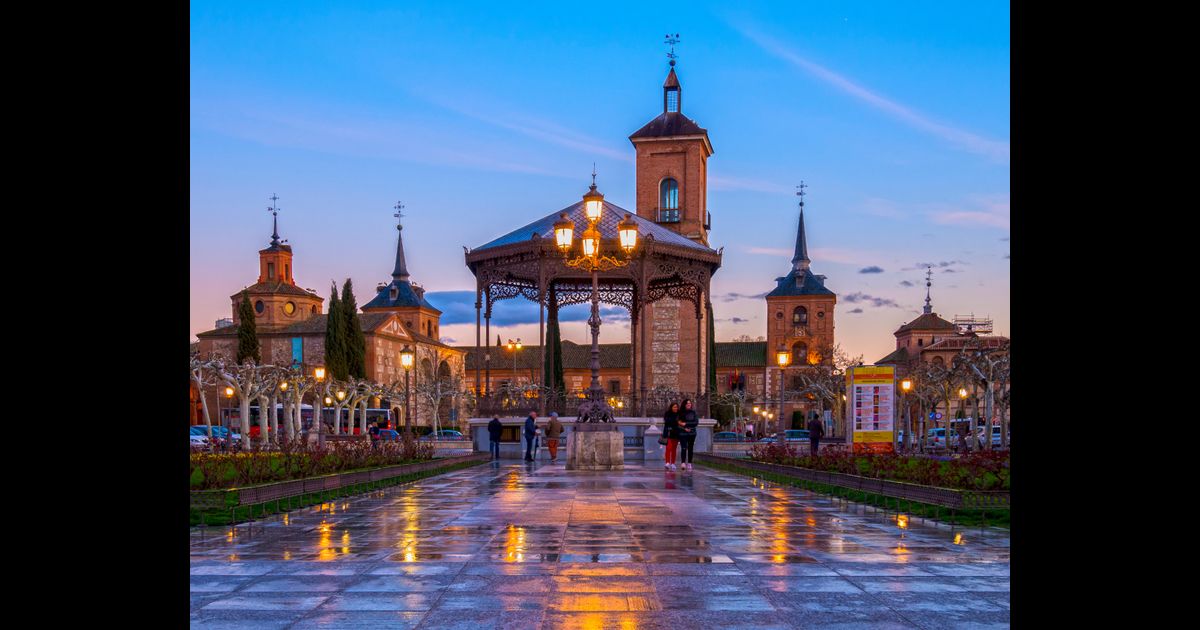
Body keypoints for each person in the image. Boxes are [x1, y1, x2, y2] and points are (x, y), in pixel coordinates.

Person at [677, 399, 699, 471]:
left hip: (692, 433)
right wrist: (684, 428)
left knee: (690, 448)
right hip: (683, 433)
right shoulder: (680, 413)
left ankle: (689, 463)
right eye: (687, 403)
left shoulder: (693, 412)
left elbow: (695, 423)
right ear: (684, 404)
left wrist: (686, 424)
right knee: (683, 447)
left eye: (690, 403)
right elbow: (678, 424)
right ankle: (683, 462)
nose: (689, 404)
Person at [663, 402, 680, 471]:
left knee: (674, 449)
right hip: (669, 433)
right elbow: (667, 421)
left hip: (676, 433)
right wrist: (675, 421)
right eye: (674, 407)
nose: (675, 408)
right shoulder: (667, 413)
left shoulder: (679, 414)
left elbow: (679, 422)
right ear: (671, 407)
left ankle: (673, 463)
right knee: (668, 448)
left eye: (676, 407)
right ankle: (667, 462)